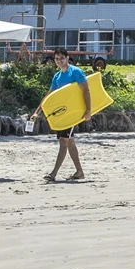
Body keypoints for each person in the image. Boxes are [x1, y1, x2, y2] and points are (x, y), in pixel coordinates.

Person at [32, 48, 92, 183]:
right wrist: (37, 111)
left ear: (67, 58)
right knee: (70, 143)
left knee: (63, 142)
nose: (59, 61)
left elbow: (86, 91)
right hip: (63, 114)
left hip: (73, 113)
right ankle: (79, 172)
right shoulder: (57, 76)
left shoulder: (76, 72)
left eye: (61, 58)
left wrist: (88, 110)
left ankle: (53, 173)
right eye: (57, 59)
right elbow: (49, 96)